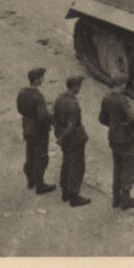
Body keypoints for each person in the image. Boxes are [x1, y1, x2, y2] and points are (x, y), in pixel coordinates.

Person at [99, 74, 134, 210]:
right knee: (129, 167)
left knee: (117, 167)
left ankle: (116, 199)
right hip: (126, 140)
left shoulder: (106, 98)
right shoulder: (121, 100)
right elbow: (132, 118)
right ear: (122, 85)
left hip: (113, 138)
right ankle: (126, 199)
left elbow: (102, 119)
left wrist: (115, 126)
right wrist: (130, 129)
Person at [16, 67, 56, 194]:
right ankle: (40, 185)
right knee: (41, 157)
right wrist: (52, 115)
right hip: (39, 132)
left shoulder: (22, 92)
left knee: (30, 156)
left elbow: (20, 109)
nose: (43, 80)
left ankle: (30, 181)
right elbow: (43, 117)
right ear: (37, 80)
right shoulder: (38, 96)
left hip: (27, 129)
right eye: (42, 78)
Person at [53, 75, 91, 207]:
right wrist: (62, 137)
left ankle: (65, 191)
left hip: (64, 139)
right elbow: (72, 125)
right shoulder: (73, 104)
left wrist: (58, 135)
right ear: (74, 87)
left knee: (66, 163)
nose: (80, 88)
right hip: (74, 140)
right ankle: (74, 197)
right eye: (79, 86)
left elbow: (55, 118)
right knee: (77, 167)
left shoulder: (59, 98)